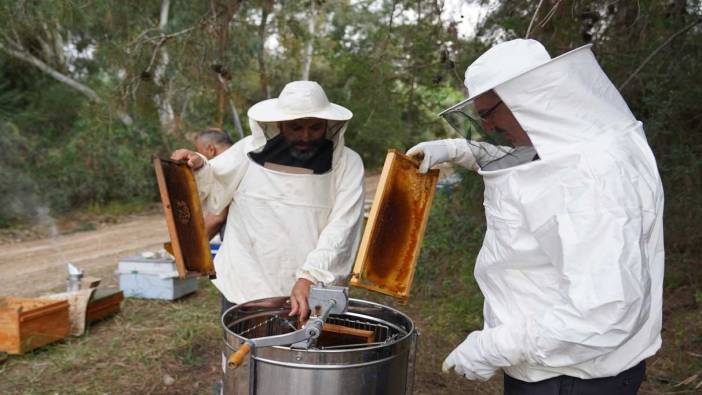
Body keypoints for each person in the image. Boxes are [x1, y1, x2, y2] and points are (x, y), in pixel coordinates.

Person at [408, 39, 664, 394]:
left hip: (574, 376)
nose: (490, 126)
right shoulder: (579, 143)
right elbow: (531, 163)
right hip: (553, 364)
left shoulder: (592, 179)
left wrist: (491, 347)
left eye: (488, 114)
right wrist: (458, 150)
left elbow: (603, 312)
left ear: (525, 98)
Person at [172, 81, 364, 319]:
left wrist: (310, 277)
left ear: (328, 124)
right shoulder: (246, 152)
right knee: (239, 354)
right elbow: (212, 183)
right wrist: (197, 164)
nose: (305, 136)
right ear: (281, 124)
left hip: (310, 292)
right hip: (244, 285)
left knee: (302, 355)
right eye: (296, 127)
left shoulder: (347, 163)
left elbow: (343, 227)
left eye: (315, 127)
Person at [194, 128, 233, 241]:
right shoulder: (248, 156)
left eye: (200, 152)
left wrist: (190, 247)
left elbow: (216, 218)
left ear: (211, 149)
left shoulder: (221, 167)